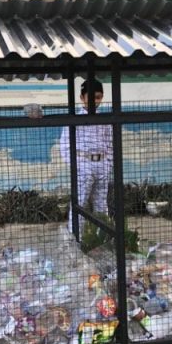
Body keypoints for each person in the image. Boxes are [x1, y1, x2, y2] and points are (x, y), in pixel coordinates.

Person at [59, 80, 113, 234]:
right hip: (83, 165)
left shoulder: (105, 119)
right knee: (79, 203)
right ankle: (76, 239)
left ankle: (102, 238)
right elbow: (65, 146)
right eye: (91, 97)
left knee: (101, 205)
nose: (95, 101)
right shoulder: (73, 119)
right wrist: (78, 166)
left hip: (102, 164)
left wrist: (108, 164)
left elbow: (110, 144)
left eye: (98, 97)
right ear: (82, 97)